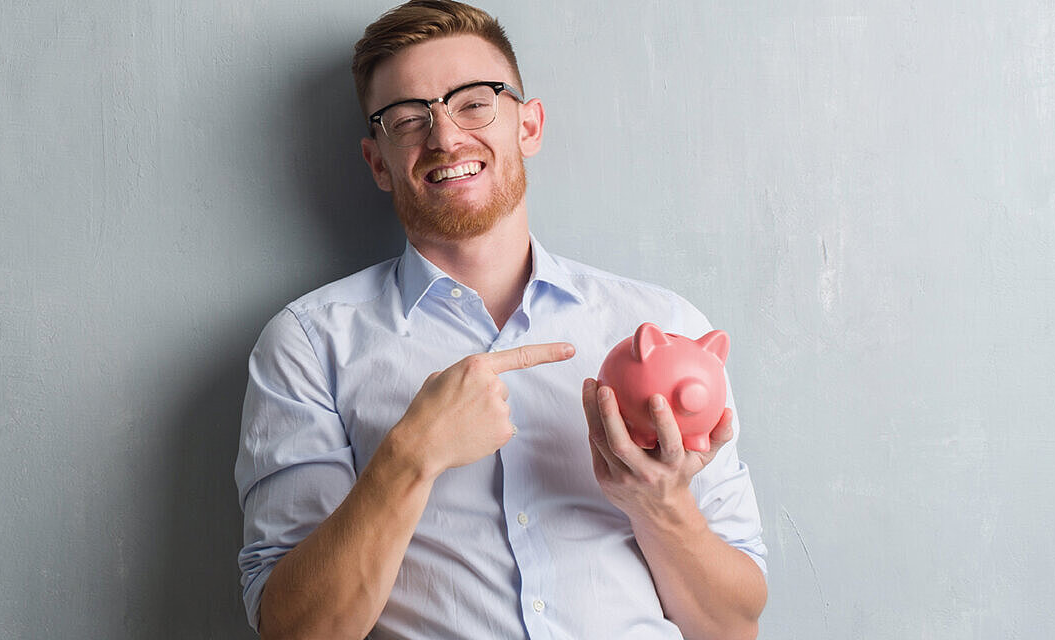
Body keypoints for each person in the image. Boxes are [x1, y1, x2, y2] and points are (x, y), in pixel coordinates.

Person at [234, 1, 768, 638]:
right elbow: (295, 631)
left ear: (529, 125)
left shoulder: (662, 325)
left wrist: (661, 504)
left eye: (474, 102)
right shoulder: (307, 343)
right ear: (378, 163)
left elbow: (734, 627)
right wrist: (409, 456)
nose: (444, 137)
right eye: (407, 118)